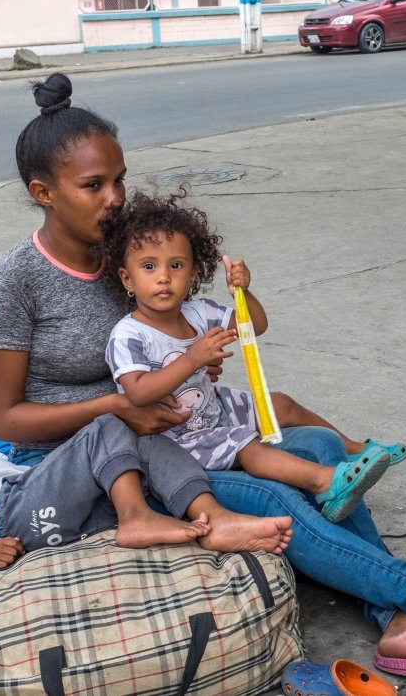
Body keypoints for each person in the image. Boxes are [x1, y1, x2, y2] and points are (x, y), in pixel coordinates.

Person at [0, 72, 406, 683]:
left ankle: (394, 618)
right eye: (94, 186)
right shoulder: (16, 281)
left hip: (181, 429)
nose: (114, 199)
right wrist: (119, 407)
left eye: (120, 179)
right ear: (43, 192)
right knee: (279, 500)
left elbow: (208, 330)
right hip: (98, 465)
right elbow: (4, 420)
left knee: (312, 447)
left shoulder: (136, 258)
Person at [99, 189, 390, 524]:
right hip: (173, 440)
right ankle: (324, 482)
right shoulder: (129, 334)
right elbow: (137, 392)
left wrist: (243, 292)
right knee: (247, 444)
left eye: (176, 265)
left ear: (193, 275)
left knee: (279, 403)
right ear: (127, 279)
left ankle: (356, 449)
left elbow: (255, 326)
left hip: (213, 408)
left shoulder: (199, 312)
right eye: (149, 266)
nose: (163, 276)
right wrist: (193, 359)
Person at [0, 416, 293, 581]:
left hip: (44, 506)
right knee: (109, 427)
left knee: (141, 440)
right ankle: (135, 518)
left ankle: (213, 517)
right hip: (11, 519)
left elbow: (27, 464)